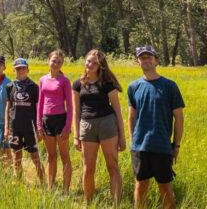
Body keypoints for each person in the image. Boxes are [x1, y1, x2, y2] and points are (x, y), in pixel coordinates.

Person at [127, 46, 185, 209]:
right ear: (138, 62)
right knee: (141, 185)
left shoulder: (170, 86)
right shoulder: (134, 87)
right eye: (142, 57)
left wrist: (177, 144)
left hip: (162, 145)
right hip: (140, 146)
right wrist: (133, 142)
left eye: (149, 57)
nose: (146, 60)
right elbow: (131, 117)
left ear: (156, 60)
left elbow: (179, 118)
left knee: (165, 187)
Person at [73, 49, 125, 205]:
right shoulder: (77, 84)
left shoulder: (107, 83)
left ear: (100, 66)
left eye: (94, 63)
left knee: (112, 166)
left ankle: (117, 204)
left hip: (107, 124)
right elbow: (76, 112)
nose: (90, 64)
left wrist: (122, 137)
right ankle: (88, 203)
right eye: (88, 61)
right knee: (88, 169)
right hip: (86, 126)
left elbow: (117, 111)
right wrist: (76, 136)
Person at [5, 58, 45, 187]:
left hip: (30, 128)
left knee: (35, 157)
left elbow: (39, 109)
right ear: (14, 70)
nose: (21, 71)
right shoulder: (10, 86)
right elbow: (8, 107)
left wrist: (40, 128)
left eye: (23, 68)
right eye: (18, 69)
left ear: (28, 69)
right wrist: (7, 127)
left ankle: (44, 183)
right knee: (17, 157)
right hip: (15, 127)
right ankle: (19, 182)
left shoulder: (34, 87)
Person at [38, 50, 74, 193]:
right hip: (47, 120)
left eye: (59, 62)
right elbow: (40, 104)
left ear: (61, 65)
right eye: (53, 61)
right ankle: (50, 188)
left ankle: (65, 190)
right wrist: (39, 125)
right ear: (48, 61)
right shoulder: (42, 80)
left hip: (60, 120)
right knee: (51, 156)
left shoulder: (64, 81)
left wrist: (67, 127)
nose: (56, 64)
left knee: (64, 156)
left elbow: (70, 106)